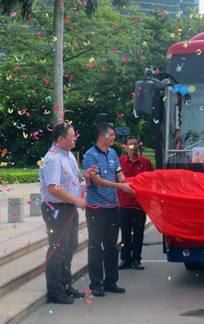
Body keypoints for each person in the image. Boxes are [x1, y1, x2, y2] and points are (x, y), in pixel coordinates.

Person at [39, 124, 95, 304]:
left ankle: (66, 285)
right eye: (71, 136)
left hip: (68, 208)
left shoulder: (68, 154)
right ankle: (55, 291)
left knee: (70, 246)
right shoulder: (52, 158)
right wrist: (76, 200)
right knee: (57, 249)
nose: (75, 138)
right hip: (57, 209)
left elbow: (72, 175)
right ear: (60, 139)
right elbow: (53, 188)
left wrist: (84, 175)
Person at [83, 123, 135, 297]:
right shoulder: (90, 156)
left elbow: (119, 174)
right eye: (111, 135)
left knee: (112, 246)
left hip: (113, 206)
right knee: (95, 246)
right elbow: (96, 181)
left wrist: (129, 184)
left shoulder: (113, 153)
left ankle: (111, 282)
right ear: (101, 137)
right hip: (96, 208)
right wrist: (121, 186)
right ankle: (96, 284)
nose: (114, 137)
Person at [118, 136, 154, 270]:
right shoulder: (119, 162)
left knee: (138, 233)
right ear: (126, 147)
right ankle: (125, 259)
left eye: (136, 143)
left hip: (139, 205)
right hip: (124, 204)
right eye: (131, 144)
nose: (134, 146)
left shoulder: (145, 162)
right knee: (125, 234)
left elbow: (151, 181)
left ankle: (137, 259)